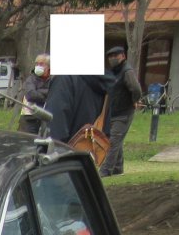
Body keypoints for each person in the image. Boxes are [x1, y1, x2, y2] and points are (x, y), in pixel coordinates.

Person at [101, 45, 142, 177]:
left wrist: (135, 101)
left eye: (115, 56)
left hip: (124, 112)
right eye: (110, 56)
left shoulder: (126, 71)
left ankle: (106, 170)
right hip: (113, 112)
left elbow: (136, 89)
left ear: (123, 56)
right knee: (115, 140)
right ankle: (118, 169)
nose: (112, 58)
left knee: (113, 141)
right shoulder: (112, 71)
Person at [43, 72, 109, 145]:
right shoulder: (108, 82)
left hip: (66, 153)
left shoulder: (65, 79)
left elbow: (55, 130)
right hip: (97, 152)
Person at [19, 54, 51, 134]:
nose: (38, 66)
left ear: (48, 66)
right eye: (36, 64)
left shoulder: (53, 79)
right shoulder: (30, 79)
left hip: (47, 117)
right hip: (29, 118)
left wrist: (39, 91)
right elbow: (31, 95)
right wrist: (47, 94)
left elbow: (56, 93)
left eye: (41, 64)